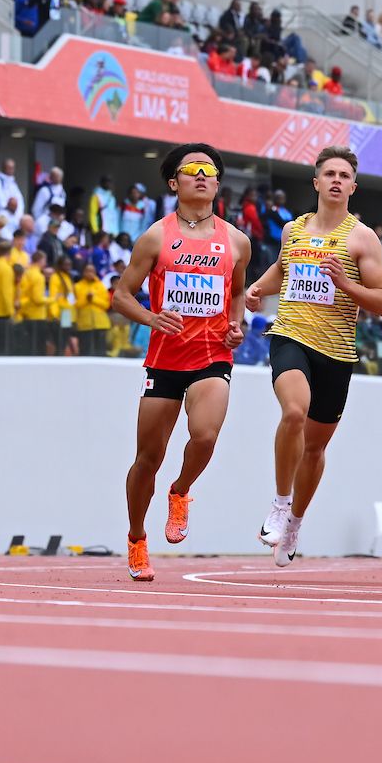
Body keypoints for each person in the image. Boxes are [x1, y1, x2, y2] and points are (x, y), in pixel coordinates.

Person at [108, 142, 250, 582]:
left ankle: (181, 490)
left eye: (209, 171)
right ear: (175, 183)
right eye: (192, 171)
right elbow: (120, 295)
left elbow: (238, 292)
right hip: (165, 359)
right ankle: (136, 538)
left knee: (205, 435)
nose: (202, 176)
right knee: (148, 457)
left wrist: (237, 323)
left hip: (212, 355)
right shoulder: (156, 236)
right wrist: (152, 317)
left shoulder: (236, 241)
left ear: (218, 183)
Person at [243, 145, 382, 565]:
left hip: (337, 352)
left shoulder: (362, 238)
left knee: (314, 448)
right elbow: (283, 268)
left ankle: (295, 523)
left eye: (344, 175)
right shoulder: (294, 230)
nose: (337, 181)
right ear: (316, 182)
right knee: (294, 412)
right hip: (291, 336)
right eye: (330, 174)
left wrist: (346, 283)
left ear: (353, 187)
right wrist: (257, 288)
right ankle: (279, 502)